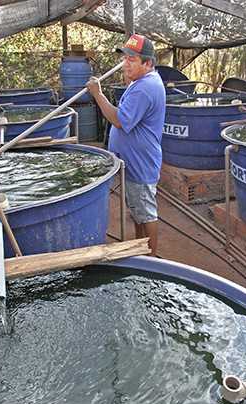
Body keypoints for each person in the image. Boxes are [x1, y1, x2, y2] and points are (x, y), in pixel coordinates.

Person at [86, 34, 165, 256]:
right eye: (125, 58)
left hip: (140, 162)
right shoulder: (144, 81)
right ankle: (140, 250)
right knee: (139, 211)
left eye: (133, 60)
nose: (126, 63)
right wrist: (129, 73)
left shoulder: (144, 88)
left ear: (148, 63)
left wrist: (98, 94)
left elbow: (119, 120)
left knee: (146, 212)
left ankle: (150, 259)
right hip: (136, 160)